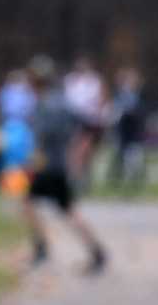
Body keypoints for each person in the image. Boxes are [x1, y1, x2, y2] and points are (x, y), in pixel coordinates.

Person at [20, 61, 109, 273]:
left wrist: (30, 162)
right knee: (66, 210)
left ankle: (42, 248)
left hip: (48, 166)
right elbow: (90, 126)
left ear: (37, 82)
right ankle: (95, 250)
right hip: (60, 164)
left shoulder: (43, 106)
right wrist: (81, 151)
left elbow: (41, 139)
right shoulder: (64, 102)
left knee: (29, 202)